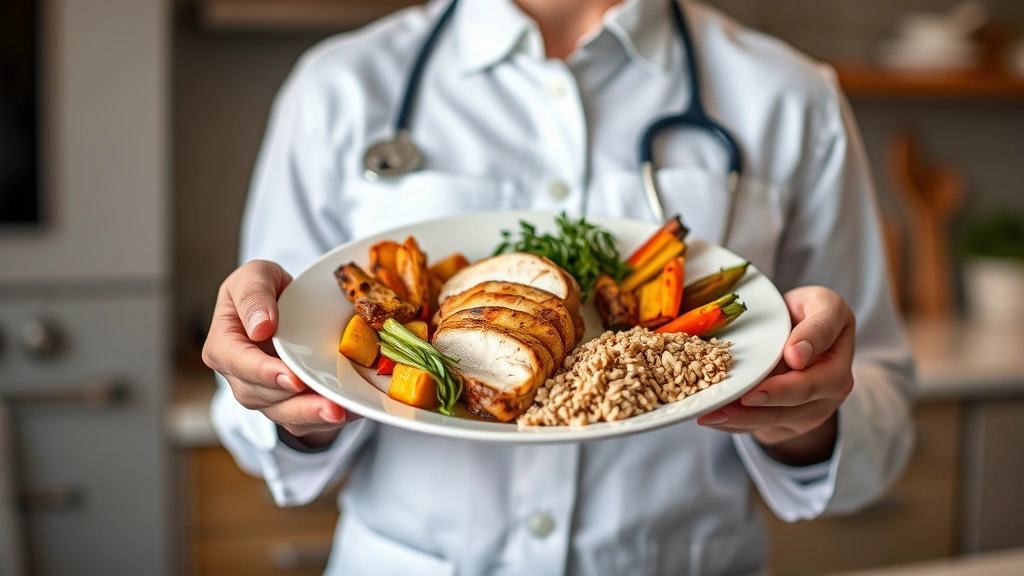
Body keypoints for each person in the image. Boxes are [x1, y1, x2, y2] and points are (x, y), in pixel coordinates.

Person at [202, 0, 916, 573]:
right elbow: (258, 411)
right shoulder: (339, 85)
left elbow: (882, 423)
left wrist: (809, 414)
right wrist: (279, 391)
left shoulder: (790, 98)